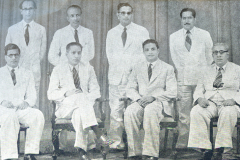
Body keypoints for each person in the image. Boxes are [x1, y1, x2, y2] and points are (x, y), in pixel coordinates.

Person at [48, 42, 112, 160]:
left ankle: (81, 151)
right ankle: (97, 132)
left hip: (82, 108)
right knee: (79, 97)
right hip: (64, 108)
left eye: (79, 53)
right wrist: (66, 93)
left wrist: (84, 100)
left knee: (79, 113)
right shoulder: (58, 69)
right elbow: (50, 94)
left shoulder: (88, 68)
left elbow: (96, 91)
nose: (76, 56)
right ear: (66, 54)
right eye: (73, 53)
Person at [48, 4, 95, 151]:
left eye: (78, 15)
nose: (75, 18)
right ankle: (98, 137)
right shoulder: (60, 33)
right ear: (67, 17)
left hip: (81, 74)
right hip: (66, 93)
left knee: (80, 110)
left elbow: (91, 54)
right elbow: (51, 55)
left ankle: (82, 148)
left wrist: (79, 64)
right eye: (72, 16)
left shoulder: (88, 32)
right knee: (80, 99)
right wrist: (64, 66)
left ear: (81, 16)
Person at [106, 2, 150, 150]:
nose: (126, 16)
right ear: (118, 15)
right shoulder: (111, 33)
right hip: (116, 78)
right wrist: (122, 70)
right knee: (115, 112)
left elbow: (146, 54)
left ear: (132, 14)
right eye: (123, 13)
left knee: (136, 111)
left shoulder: (141, 31)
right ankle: (116, 143)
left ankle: (137, 144)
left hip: (135, 78)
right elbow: (110, 56)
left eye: (128, 13)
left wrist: (133, 72)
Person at [124, 39, 177, 160]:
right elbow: (130, 88)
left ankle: (150, 153)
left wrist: (154, 97)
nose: (150, 52)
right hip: (141, 101)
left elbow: (172, 91)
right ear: (143, 52)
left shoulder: (167, 68)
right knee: (129, 112)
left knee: (150, 111)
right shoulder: (137, 67)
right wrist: (138, 99)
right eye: (147, 50)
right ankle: (134, 152)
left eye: (153, 49)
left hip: (158, 102)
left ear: (158, 51)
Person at [169, 8, 213, 148]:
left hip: (201, 80)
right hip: (183, 79)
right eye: (184, 18)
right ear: (181, 19)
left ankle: (200, 143)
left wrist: (205, 78)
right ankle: (184, 143)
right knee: (184, 113)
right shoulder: (174, 36)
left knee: (201, 111)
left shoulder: (204, 35)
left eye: (189, 18)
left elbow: (209, 57)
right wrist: (182, 75)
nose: (186, 21)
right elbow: (175, 59)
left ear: (195, 19)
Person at [188, 43, 240, 160]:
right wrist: (200, 99)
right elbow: (199, 89)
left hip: (229, 102)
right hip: (210, 102)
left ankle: (223, 149)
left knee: (228, 112)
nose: (218, 55)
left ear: (227, 54)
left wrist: (234, 100)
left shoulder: (237, 69)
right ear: (212, 55)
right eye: (215, 53)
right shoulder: (206, 70)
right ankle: (205, 149)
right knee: (196, 111)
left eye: (221, 52)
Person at [0, 43, 45, 160]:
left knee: (37, 115)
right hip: (3, 109)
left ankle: (30, 152)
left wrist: (27, 102)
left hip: (20, 108)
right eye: (10, 55)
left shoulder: (27, 73)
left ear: (19, 56)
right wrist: (2, 102)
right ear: (5, 57)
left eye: (16, 55)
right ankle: (9, 156)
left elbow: (32, 94)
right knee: (10, 117)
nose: (14, 58)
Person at [5, 0, 47, 108]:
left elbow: (42, 51)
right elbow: (8, 49)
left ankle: (33, 123)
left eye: (30, 9)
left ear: (34, 11)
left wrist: (34, 62)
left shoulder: (41, 29)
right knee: (15, 95)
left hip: (34, 69)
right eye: (25, 9)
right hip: (17, 69)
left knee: (33, 97)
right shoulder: (12, 29)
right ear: (21, 11)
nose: (28, 12)